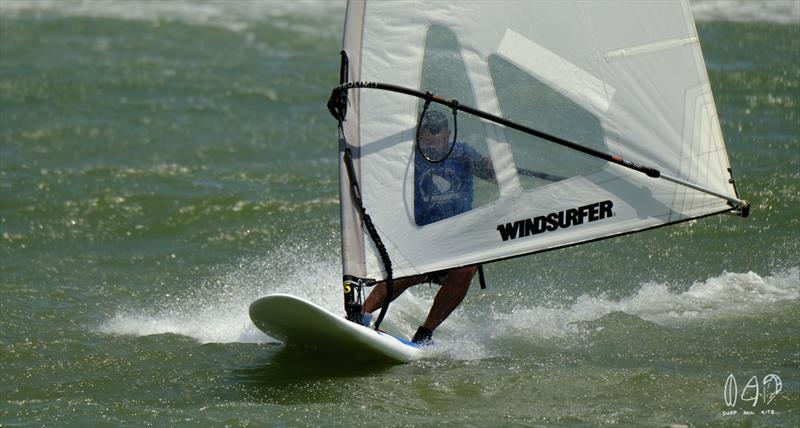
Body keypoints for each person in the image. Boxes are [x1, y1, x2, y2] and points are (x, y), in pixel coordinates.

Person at [361, 110, 495, 344]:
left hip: (456, 237)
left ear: (447, 133)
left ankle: (424, 334)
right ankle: (360, 315)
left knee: (467, 266)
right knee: (416, 267)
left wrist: (491, 167)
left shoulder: (462, 153)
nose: (430, 136)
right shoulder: (408, 158)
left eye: (436, 130)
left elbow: (492, 176)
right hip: (421, 235)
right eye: (424, 131)